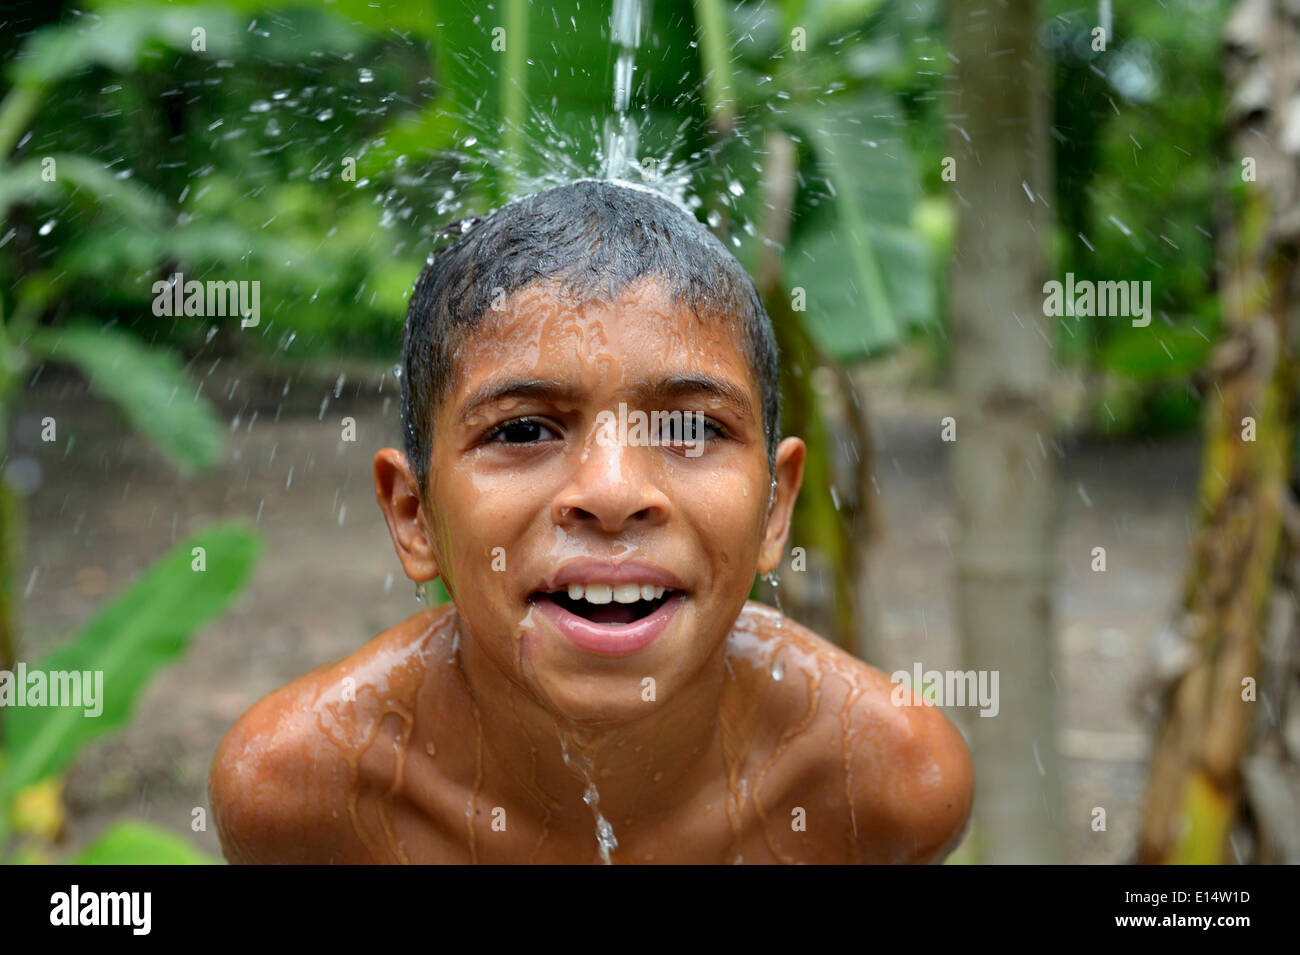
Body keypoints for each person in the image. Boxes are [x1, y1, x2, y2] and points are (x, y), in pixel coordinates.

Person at [208, 179, 973, 864]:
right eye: (523, 430)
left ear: (776, 507)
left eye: (689, 430)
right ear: (414, 515)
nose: (612, 492)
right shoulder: (308, 791)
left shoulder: (879, 781)